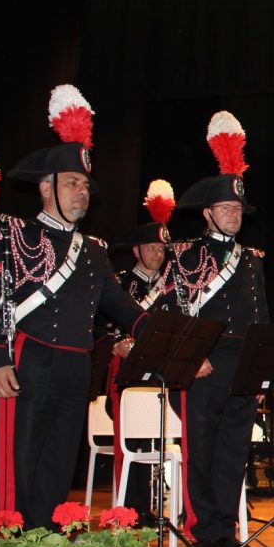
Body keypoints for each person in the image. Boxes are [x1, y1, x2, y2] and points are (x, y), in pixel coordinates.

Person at [0, 85, 147, 530]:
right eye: (72, 183)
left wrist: (162, 332)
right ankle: (13, 545)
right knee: (18, 462)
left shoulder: (95, 249)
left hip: (75, 366)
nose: (82, 193)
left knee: (58, 463)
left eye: (85, 186)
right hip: (26, 359)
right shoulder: (13, 233)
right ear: (45, 187)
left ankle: (48, 542)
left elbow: (119, 304)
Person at [155, 111, 268, 547]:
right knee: (201, 451)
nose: (233, 215)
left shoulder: (252, 259)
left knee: (233, 452)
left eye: (237, 209)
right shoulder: (184, 255)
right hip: (203, 363)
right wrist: (190, 357)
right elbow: (170, 311)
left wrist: (260, 368)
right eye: (225, 209)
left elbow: (260, 318)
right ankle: (203, 531)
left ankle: (226, 529)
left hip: (242, 365)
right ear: (207, 214)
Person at [101, 178, 175, 521]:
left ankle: (153, 506)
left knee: (157, 439)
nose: (157, 254)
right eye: (151, 248)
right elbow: (100, 324)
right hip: (127, 369)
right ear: (137, 251)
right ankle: (130, 508)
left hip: (162, 369)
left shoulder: (172, 286)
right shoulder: (119, 283)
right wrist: (114, 345)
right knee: (131, 440)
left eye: (161, 249)